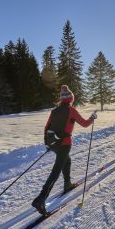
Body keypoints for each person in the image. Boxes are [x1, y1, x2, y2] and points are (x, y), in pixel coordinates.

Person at [32, 85, 97, 215]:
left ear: (62, 99)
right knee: (56, 171)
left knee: (66, 161)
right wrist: (92, 118)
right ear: (71, 99)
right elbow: (85, 124)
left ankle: (67, 184)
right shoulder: (71, 111)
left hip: (54, 143)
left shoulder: (54, 111)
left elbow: (46, 127)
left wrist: (47, 143)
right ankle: (40, 199)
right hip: (64, 144)